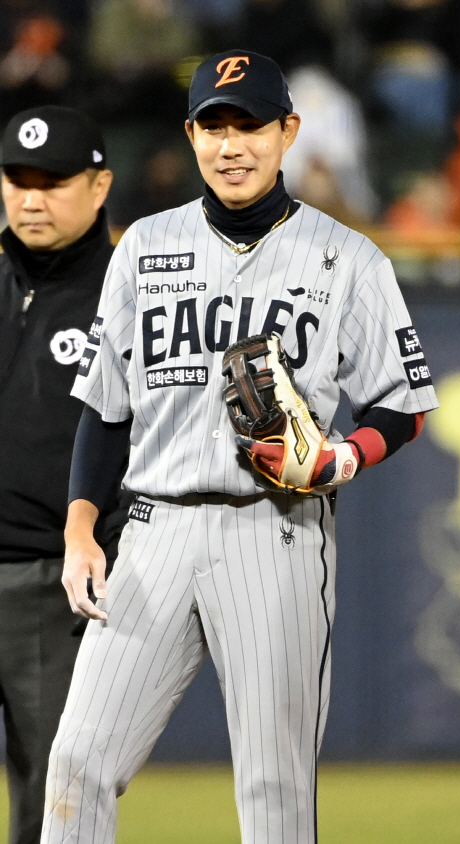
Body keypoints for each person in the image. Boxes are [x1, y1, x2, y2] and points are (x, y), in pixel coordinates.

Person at [42, 50, 438, 844]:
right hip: (152, 531)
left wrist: (341, 458)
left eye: (250, 125)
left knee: (273, 789)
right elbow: (104, 412)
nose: (233, 145)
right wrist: (81, 528)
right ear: (190, 135)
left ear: (288, 132)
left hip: (276, 528)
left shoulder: (349, 260)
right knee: (79, 763)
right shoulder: (142, 249)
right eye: (214, 126)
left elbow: (404, 404)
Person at [0, 105, 123, 844]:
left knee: (54, 806)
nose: (31, 198)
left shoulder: (130, 291)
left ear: (100, 184)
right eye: (17, 179)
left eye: (53, 181)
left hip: (55, 590)